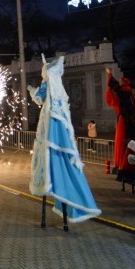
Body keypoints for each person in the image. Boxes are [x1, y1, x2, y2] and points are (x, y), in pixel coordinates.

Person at [28, 55, 101, 224]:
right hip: (61, 127)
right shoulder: (59, 86)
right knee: (61, 158)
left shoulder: (48, 83)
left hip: (49, 127)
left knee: (49, 157)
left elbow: (39, 98)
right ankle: (66, 191)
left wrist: (32, 91)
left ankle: (54, 185)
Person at [104, 66, 135, 183]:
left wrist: (109, 74)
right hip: (128, 120)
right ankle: (124, 165)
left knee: (122, 142)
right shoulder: (129, 93)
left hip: (124, 121)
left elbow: (114, 87)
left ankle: (122, 166)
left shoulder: (124, 92)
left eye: (120, 82)